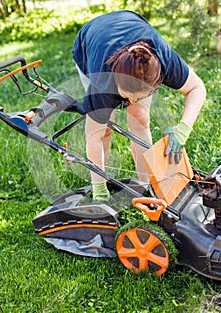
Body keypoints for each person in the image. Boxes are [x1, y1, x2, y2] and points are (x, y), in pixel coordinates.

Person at [72, 10, 206, 202]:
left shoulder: (163, 60)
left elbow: (197, 88)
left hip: (129, 23)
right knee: (105, 129)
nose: (131, 102)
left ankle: (147, 188)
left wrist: (183, 129)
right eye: (126, 97)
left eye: (139, 96)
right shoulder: (102, 81)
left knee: (140, 119)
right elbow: (93, 136)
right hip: (91, 39)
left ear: (157, 82)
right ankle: (101, 183)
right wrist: (99, 188)